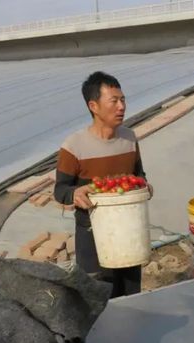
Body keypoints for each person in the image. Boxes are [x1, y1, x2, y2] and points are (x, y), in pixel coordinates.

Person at [54, 71, 153, 298]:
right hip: (93, 235)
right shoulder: (74, 146)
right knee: (98, 298)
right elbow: (60, 190)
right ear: (94, 106)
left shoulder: (129, 139)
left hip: (129, 231)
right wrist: (75, 193)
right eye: (114, 101)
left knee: (130, 296)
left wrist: (144, 185)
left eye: (123, 100)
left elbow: (139, 175)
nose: (121, 107)